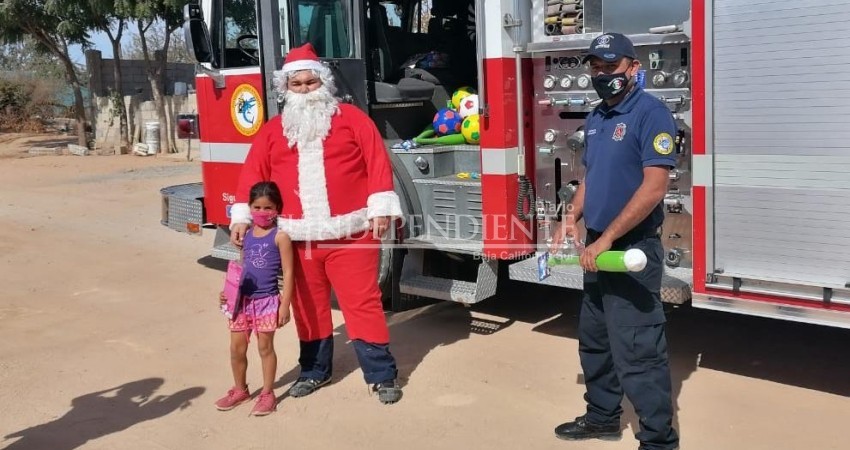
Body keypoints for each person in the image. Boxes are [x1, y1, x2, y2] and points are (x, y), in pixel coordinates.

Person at [229, 43, 404, 404]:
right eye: (298, 85)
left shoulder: (354, 119)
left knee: (363, 303)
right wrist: (244, 217)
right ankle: (314, 371)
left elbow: (376, 163)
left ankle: (382, 375)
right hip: (297, 238)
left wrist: (381, 208)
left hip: (352, 234)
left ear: (324, 83)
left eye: (311, 82)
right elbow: (253, 175)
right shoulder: (274, 130)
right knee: (308, 306)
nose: (306, 90)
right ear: (286, 89)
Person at [549, 33, 680, 450]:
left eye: (611, 67)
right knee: (596, 341)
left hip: (632, 250)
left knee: (639, 351)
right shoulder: (597, 118)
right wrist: (571, 217)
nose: (603, 75)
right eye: (596, 67)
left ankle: (658, 441)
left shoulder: (651, 114)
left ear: (633, 69)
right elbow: (592, 177)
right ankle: (602, 417)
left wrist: (607, 238)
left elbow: (655, 187)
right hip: (598, 249)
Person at [215, 181, 294, 416]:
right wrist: (226, 293)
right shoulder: (244, 234)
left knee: (265, 348)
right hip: (241, 302)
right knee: (236, 349)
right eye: (257, 207)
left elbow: (289, 272)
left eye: (268, 207)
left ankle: (268, 394)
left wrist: (285, 306)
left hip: (267, 301)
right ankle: (240, 390)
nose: (262, 212)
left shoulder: (280, 237)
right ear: (249, 208)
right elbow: (240, 268)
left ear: (277, 208)